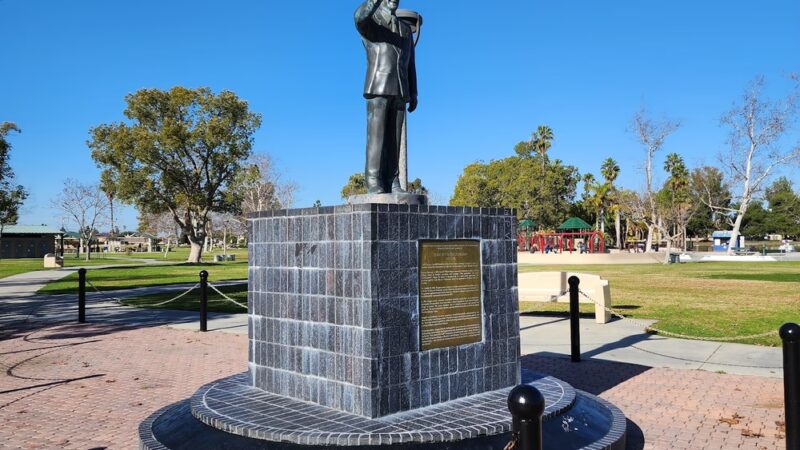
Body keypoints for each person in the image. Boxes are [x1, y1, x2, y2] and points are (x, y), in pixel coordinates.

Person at [355, 0, 418, 194]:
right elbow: (359, 18)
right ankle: (373, 179)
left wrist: (414, 92)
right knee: (377, 137)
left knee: (394, 140)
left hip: (400, 89)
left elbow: (410, 64)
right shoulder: (372, 21)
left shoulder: (405, 29)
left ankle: (393, 180)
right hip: (379, 86)